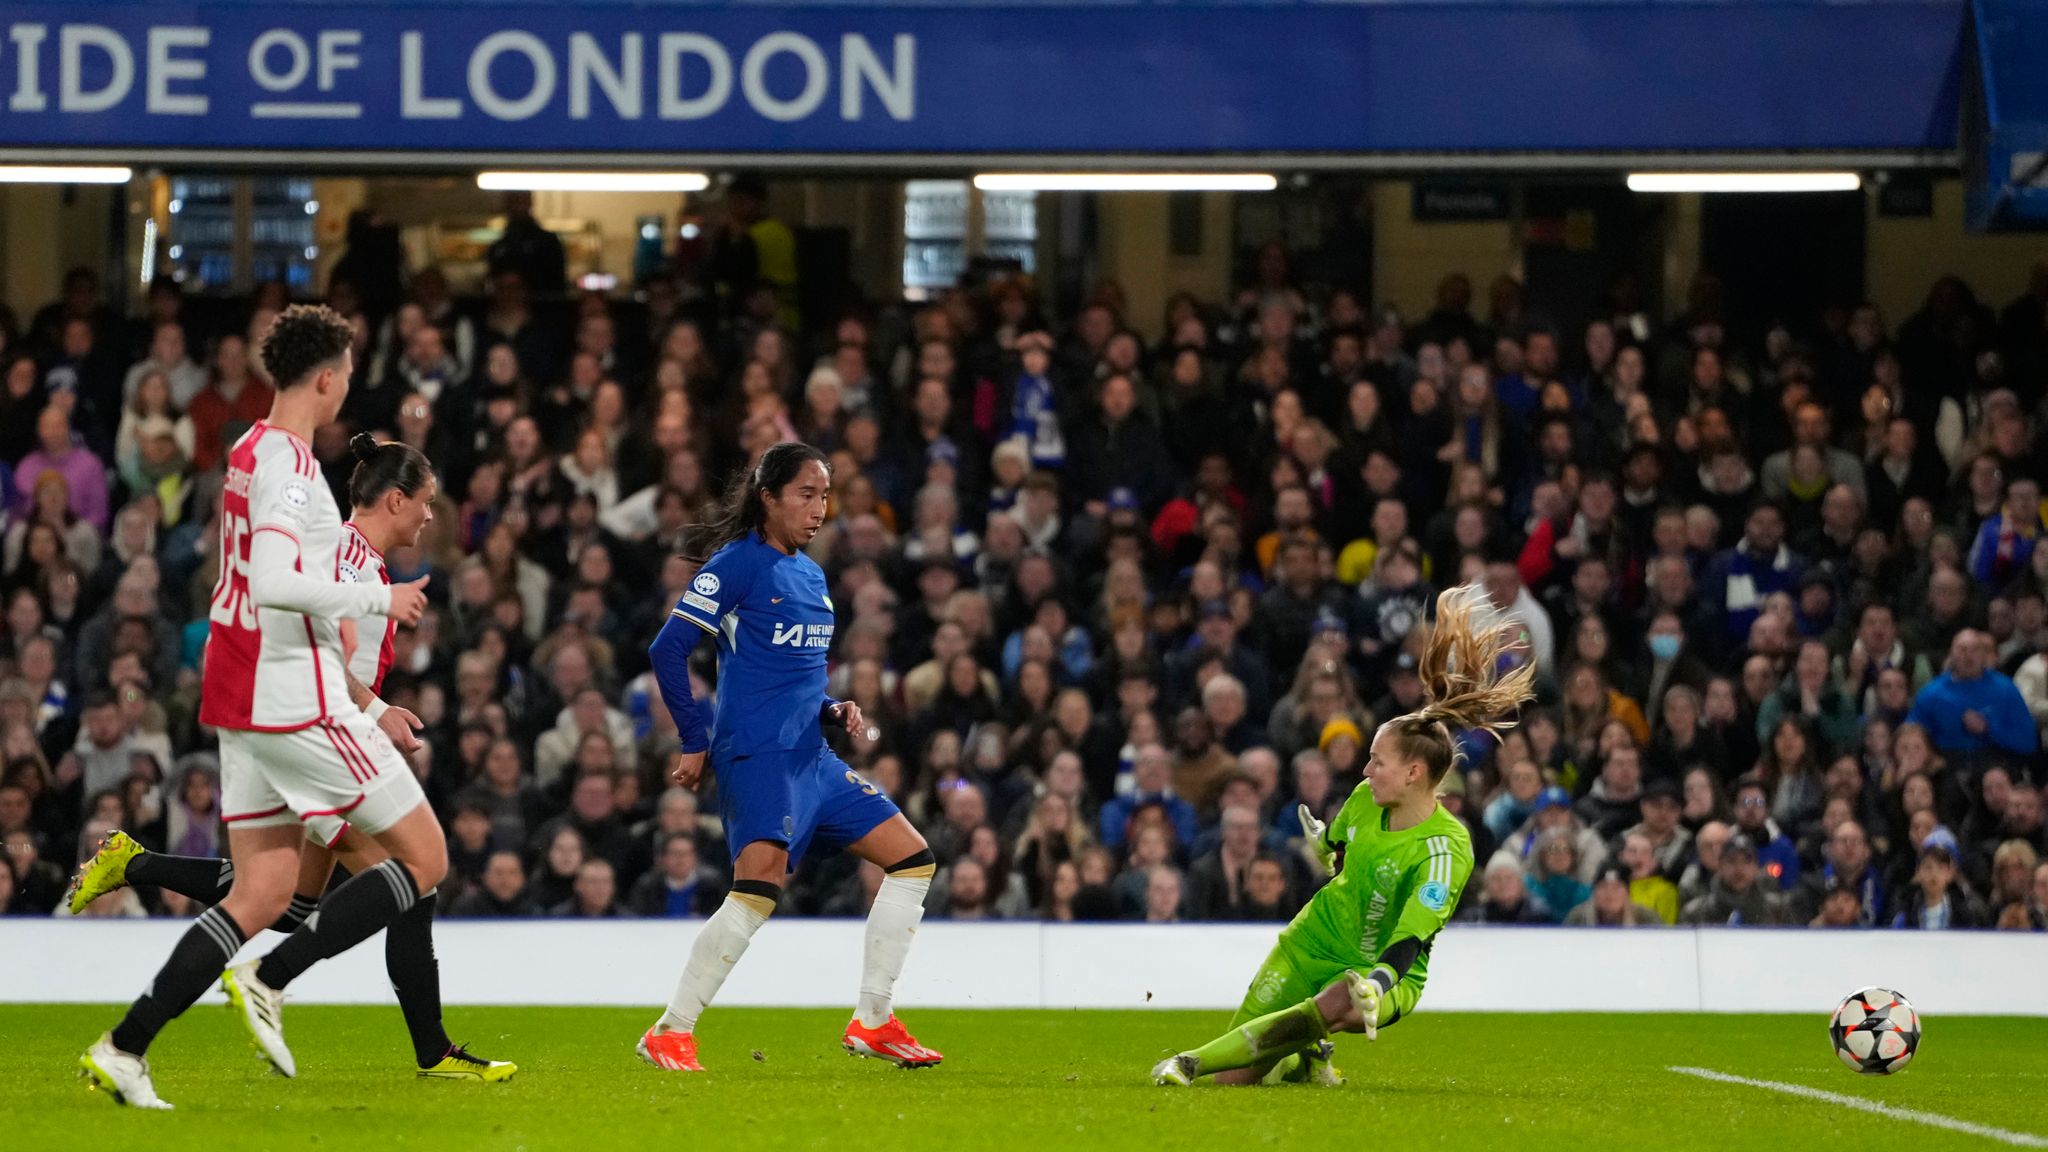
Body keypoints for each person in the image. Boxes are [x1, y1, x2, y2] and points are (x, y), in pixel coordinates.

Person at [77, 305, 448, 1109]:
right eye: (347, 370)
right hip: (291, 694)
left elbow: (237, 579)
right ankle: (270, 978)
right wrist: (379, 603)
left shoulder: (246, 447)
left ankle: (126, 1046)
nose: (348, 383)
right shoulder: (288, 465)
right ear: (325, 377)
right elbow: (274, 582)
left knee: (264, 893)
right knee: (425, 862)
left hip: (237, 689)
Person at [67, 434, 513, 1083]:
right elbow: (320, 653)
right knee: (414, 880)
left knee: (289, 902)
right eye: (425, 502)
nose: (429, 516)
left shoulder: (360, 558)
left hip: (311, 729)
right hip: (313, 734)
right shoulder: (349, 562)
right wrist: (373, 710)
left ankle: (134, 863)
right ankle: (364, 1021)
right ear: (396, 499)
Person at [1152, 583, 1536, 1087]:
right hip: (1313, 939)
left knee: (1342, 998)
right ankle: (1305, 1057)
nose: (1367, 767)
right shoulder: (1364, 798)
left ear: (1415, 772)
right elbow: (1337, 850)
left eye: (1379, 760)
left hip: (1383, 972)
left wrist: (1377, 983)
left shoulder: (1446, 849)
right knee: (1240, 1081)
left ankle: (1190, 1061)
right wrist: (1323, 846)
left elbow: (1410, 937)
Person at [638, 442, 942, 1073]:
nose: (818, 509)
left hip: (812, 755)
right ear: (767, 497)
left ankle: (875, 1020)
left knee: (912, 860)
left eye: (825, 496)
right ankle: (671, 1030)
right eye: (806, 494)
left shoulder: (810, 573)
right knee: (756, 891)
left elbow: (789, 672)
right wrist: (695, 739)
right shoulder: (734, 566)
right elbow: (668, 649)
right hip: (758, 755)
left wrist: (832, 709)